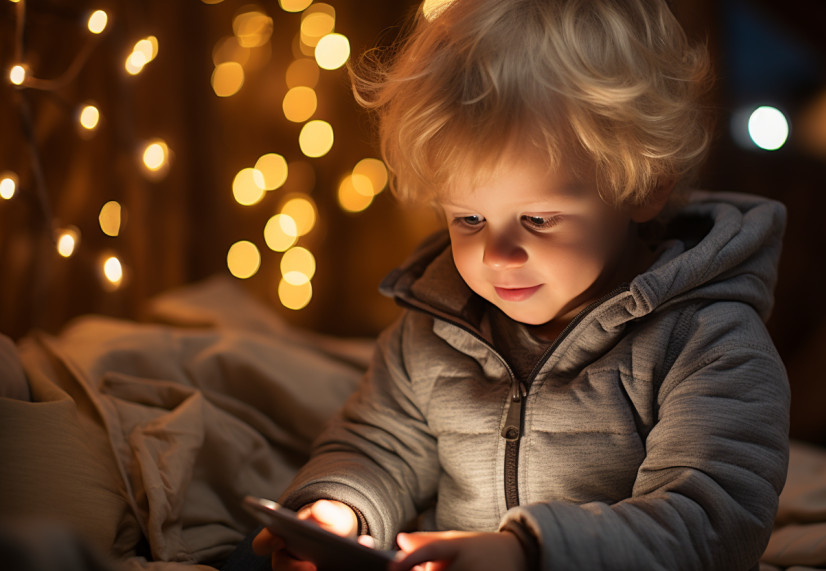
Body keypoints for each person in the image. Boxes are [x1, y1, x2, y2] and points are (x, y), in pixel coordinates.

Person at [252, 0, 790, 569]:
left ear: (644, 185)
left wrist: (531, 554)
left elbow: (711, 522)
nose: (497, 255)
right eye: (469, 219)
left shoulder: (707, 342)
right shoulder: (434, 329)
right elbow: (378, 446)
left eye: (538, 219)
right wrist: (338, 510)